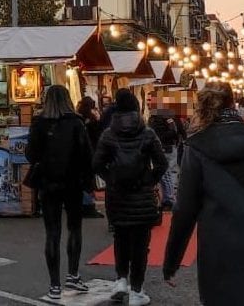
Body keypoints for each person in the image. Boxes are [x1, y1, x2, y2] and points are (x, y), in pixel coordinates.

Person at [163, 84, 244, 306]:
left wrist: (172, 262)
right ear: (234, 104)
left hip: (218, 239)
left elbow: (184, 210)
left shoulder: (196, 148)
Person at [93, 89, 168, 306]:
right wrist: (149, 180)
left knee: (121, 237)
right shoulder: (147, 133)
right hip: (142, 195)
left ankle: (120, 279)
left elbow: (96, 164)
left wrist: (111, 179)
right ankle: (137, 290)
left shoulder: (108, 134)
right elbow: (161, 163)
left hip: (117, 195)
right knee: (141, 244)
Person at [27, 85, 95, 300]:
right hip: (72, 181)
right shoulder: (76, 122)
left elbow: (31, 154)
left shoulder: (38, 123)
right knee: (74, 228)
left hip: (48, 182)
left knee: (52, 232)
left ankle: (54, 285)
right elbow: (86, 154)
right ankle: (73, 275)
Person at [147, 109, 184, 210]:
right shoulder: (163, 115)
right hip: (165, 146)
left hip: (166, 146)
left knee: (168, 174)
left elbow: (174, 130)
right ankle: (169, 198)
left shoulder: (162, 116)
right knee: (167, 174)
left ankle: (169, 199)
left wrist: (159, 139)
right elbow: (177, 130)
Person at [76, 96, 105, 219]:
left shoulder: (78, 118)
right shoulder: (93, 119)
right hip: (92, 151)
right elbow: (99, 134)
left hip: (80, 153)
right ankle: (88, 206)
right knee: (89, 179)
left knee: (83, 179)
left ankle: (84, 204)